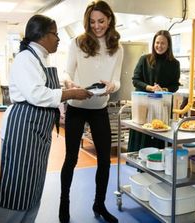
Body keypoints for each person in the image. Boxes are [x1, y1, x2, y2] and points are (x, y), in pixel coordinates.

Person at [0, 14, 92, 223]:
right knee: (17, 190)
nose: (58, 39)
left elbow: (44, 89)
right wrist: (72, 94)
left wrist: (67, 87)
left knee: (32, 187)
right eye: (55, 34)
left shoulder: (40, 59)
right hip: (23, 130)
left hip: (36, 132)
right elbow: (36, 94)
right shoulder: (25, 58)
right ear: (42, 35)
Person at [58, 1, 123, 223]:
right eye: (92, 22)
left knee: (105, 161)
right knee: (71, 159)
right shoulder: (77, 43)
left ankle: (100, 203)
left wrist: (113, 86)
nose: (97, 26)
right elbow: (66, 73)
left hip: (99, 108)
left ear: (110, 20)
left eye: (101, 21)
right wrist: (69, 84)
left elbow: (117, 79)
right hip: (76, 107)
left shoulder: (118, 47)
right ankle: (64, 204)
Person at [127, 30, 180, 152]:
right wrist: (150, 88)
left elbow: (175, 85)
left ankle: (158, 161)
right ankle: (139, 160)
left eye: (163, 43)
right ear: (153, 43)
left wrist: (164, 90)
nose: (159, 46)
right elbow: (135, 80)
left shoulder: (174, 64)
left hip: (162, 106)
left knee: (160, 136)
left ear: (168, 45)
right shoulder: (144, 59)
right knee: (142, 136)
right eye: (157, 42)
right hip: (143, 105)